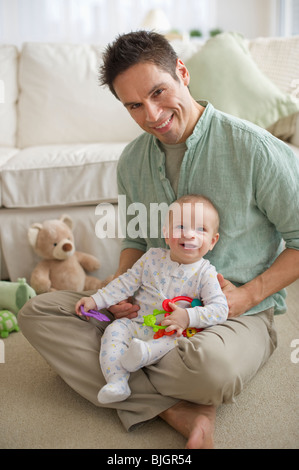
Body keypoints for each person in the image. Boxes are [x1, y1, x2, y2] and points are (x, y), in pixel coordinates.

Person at [18, 31, 299, 449]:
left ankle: (130, 374)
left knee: (212, 370)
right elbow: (134, 238)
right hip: (148, 309)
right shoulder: (133, 160)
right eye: (134, 105)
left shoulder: (256, 149)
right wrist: (118, 292)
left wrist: (243, 298)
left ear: (182, 73)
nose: (151, 114)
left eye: (158, 92)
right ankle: (177, 407)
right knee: (39, 314)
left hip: (232, 314)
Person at [75, 195, 228, 404]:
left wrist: (188, 316)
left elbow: (220, 309)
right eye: (180, 226)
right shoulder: (151, 258)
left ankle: (142, 355)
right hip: (139, 323)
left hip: (171, 332)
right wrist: (95, 300)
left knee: (176, 341)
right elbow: (124, 283)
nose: (190, 234)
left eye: (201, 229)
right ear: (166, 233)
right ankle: (117, 381)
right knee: (114, 330)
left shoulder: (205, 273)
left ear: (212, 241)